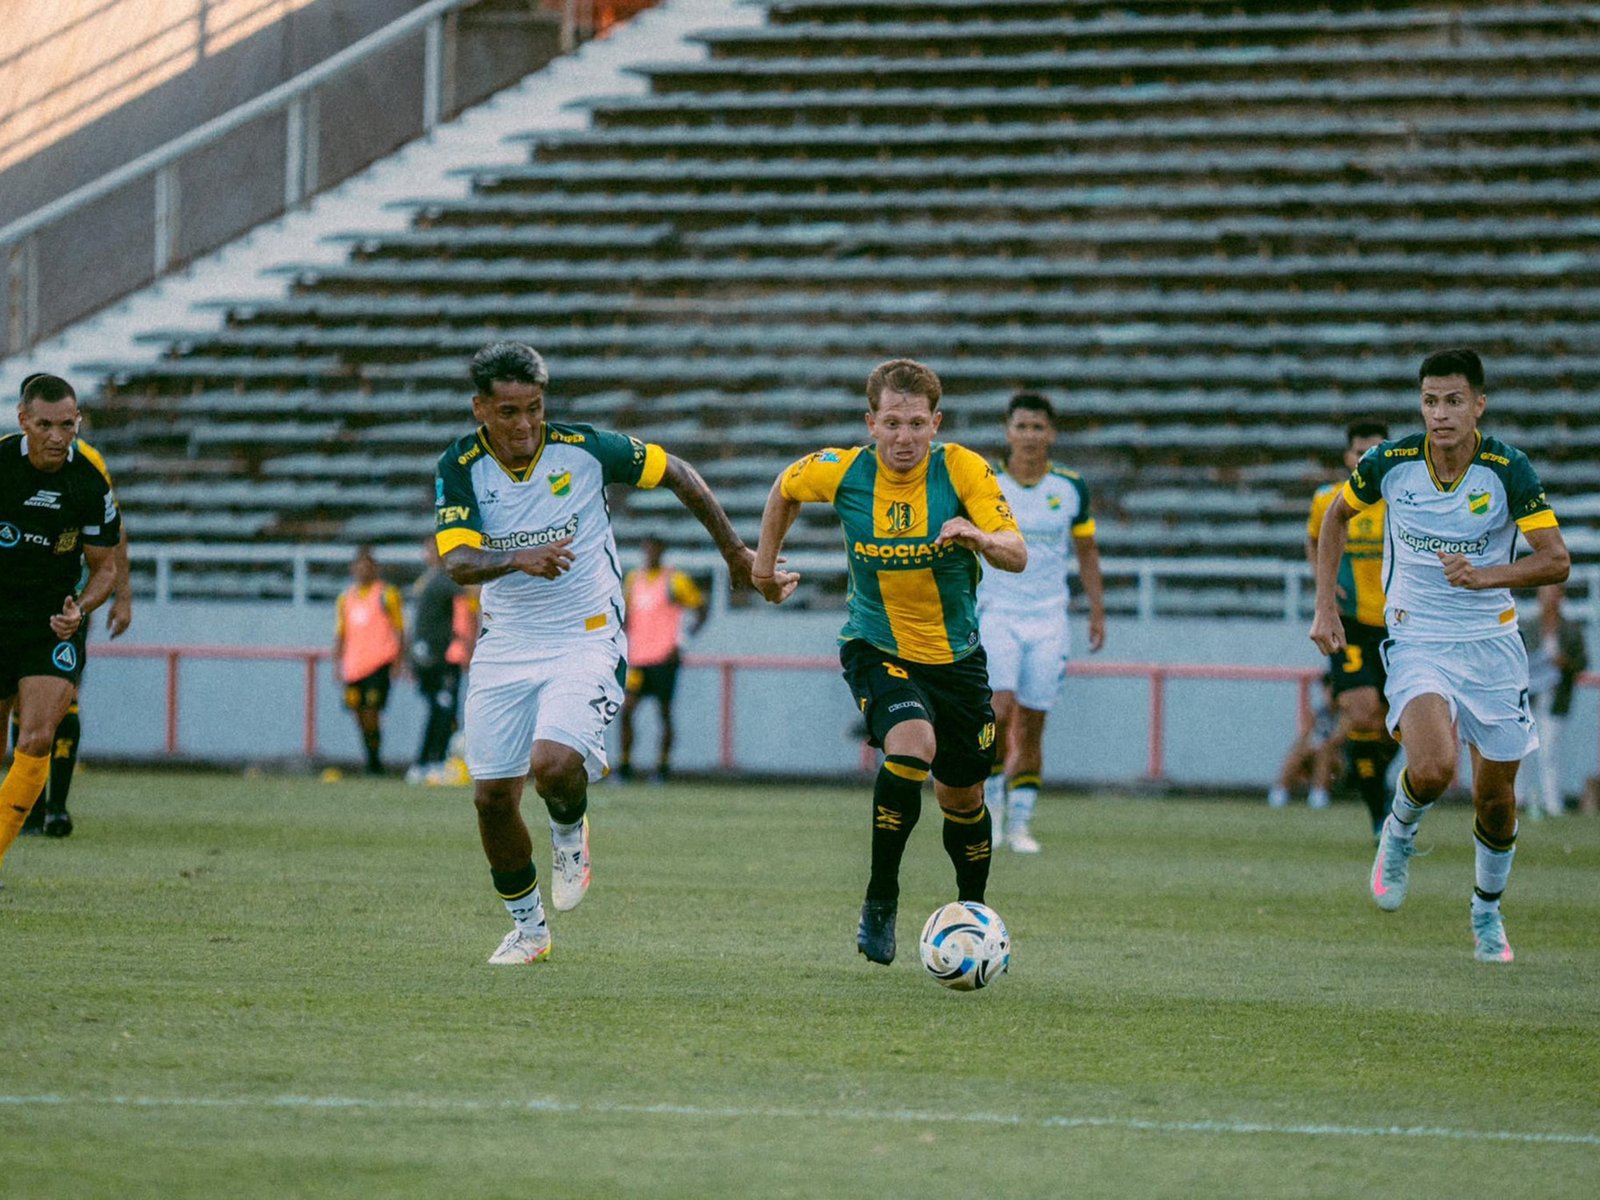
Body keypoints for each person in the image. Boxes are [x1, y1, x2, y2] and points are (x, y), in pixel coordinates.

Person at [435, 340, 755, 965]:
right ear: (480, 410)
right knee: (491, 799)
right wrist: (516, 559)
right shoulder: (459, 466)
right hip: (506, 646)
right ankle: (530, 931)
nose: (525, 424)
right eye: (508, 412)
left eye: (534, 407)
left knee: (552, 766)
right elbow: (457, 561)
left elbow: (679, 473)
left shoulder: (584, 450)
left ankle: (567, 826)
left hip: (586, 635)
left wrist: (735, 551)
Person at [750, 358, 1026, 966]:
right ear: (870, 423)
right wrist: (763, 568)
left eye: (917, 424)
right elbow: (783, 488)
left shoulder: (964, 470)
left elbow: (1017, 552)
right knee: (910, 746)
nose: (905, 438)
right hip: (876, 646)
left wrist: (981, 538)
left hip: (957, 661)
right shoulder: (842, 470)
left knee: (962, 798)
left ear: (937, 424)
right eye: (893, 424)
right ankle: (881, 896)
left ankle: (972, 915)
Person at [1311, 348, 1570, 964]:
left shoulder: (1507, 469)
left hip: (1492, 645)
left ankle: (1486, 913)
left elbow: (1555, 559)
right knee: (1431, 768)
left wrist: (1486, 577)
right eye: (1431, 401)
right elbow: (1335, 520)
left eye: (1454, 400)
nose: (1441, 413)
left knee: (1496, 799)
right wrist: (1326, 606)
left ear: (1478, 404)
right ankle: (1397, 833)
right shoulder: (1391, 461)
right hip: (1418, 636)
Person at [0, 374, 121, 872]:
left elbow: (105, 567)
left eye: (66, 425)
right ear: (23, 420)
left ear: (78, 423)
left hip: (53, 621)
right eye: (45, 425)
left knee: (36, 739)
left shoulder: (89, 481)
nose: (56, 436)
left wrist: (83, 606)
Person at [976, 391, 1105, 854]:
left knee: (1032, 723)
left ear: (1051, 434)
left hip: (1048, 617)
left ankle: (1020, 825)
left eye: (1038, 428)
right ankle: (987, 817)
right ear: (1007, 431)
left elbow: (1086, 552)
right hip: (997, 612)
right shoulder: (985, 482)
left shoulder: (1069, 487)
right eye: (1021, 427)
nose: (1029, 436)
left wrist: (1096, 610)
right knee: (996, 711)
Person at [1306, 418, 1398, 838]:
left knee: (1395, 724)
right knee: (1360, 712)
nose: (1366, 459)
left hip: (1401, 627)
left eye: (1375, 450)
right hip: (1352, 627)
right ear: (1348, 457)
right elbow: (1314, 540)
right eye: (1360, 452)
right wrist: (1324, 588)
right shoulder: (1329, 500)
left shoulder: (1404, 499)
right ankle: (1379, 813)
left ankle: (1385, 790)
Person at [618, 535, 708, 782]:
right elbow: (628, 616)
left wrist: (682, 642)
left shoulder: (675, 580)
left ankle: (662, 768)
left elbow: (700, 608)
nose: (650, 554)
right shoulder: (633, 579)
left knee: (664, 713)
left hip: (664, 659)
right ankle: (625, 767)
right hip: (638, 658)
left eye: (654, 549)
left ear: (662, 551)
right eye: (646, 549)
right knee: (627, 711)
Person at [407, 537, 478, 785]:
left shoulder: (437, 581)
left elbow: (462, 620)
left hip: (438, 656)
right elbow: (463, 620)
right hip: (440, 659)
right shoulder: (443, 581)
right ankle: (431, 761)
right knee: (442, 710)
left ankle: (429, 761)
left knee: (441, 711)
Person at [332, 546, 406, 776]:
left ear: (375, 569)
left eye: (367, 566)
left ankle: (375, 762)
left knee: (372, 712)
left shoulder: (387, 594)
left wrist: (398, 662)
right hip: (354, 667)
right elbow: (341, 634)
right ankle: (370, 758)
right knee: (358, 714)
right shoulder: (346, 598)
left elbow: (400, 630)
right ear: (353, 569)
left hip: (379, 664)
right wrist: (337, 664)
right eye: (359, 566)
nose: (363, 571)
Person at [1516, 584, 1587, 819]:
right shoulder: (1528, 626)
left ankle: (1553, 802)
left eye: (1554, 595)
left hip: (1557, 698)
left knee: (1550, 751)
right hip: (1530, 698)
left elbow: (1582, 662)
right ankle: (1520, 798)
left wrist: (1564, 662)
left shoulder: (1571, 629)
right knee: (1522, 750)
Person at [1267, 673, 1344, 810]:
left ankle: (1319, 793)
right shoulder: (1318, 714)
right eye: (1327, 689)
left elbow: (1339, 742)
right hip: (1316, 756)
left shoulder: (1346, 715)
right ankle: (1281, 791)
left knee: (1325, 750)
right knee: (1300, 750)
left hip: (1338, 761)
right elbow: (1303, 738)